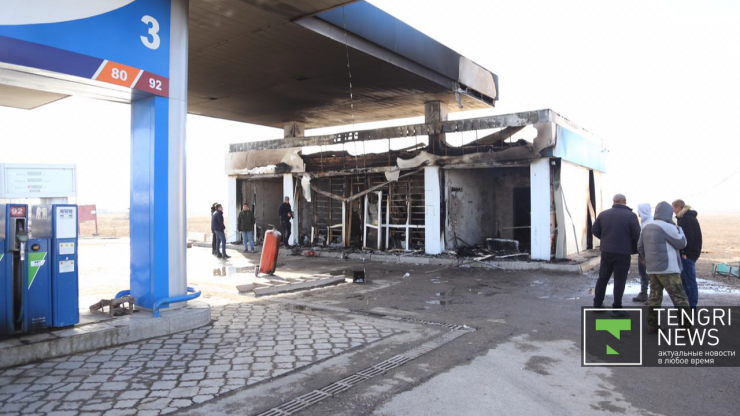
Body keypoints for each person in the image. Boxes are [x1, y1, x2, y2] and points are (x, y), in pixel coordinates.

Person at [638, 201, 690, 332]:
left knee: (654, 297)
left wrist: (646, 260)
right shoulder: (668, 227)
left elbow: (640, 246)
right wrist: (679, 229)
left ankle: (652, 325)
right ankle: (686, 327)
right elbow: (681, 243)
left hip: (652, 269)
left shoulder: (646, 227)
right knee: (679, 297)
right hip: (668, 269)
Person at [592, 194, 641, 316]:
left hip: (606, 251)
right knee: (620, 280)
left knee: (603, 278)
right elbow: (637, 235)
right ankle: (617, 308)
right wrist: (636, 249)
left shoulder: (603, 214)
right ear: (625, 202)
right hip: (623, 253)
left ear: (613, 201)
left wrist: (605, 239)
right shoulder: (631, 216)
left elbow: (595, 230)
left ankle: (597, 304)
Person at [672, 199, 702, 308]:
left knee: (689, 282)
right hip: (691, 253)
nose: (672, 210)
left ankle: (692, 306)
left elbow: (687, 237)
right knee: (685, 281)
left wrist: (684, 252)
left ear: (678, 207)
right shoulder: (686, 217)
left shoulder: (685, 219)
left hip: (688, 255)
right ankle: (687, 305)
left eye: (673, 207)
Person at [632, 203, 653, 303]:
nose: (638, 213)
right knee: (643, 274)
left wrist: (643, 256)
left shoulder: (649, 223)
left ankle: (652, 297)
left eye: (639, 211)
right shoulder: (644, 221)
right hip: (643, 253)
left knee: (651, 276)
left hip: (648, 254)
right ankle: (644, 293)